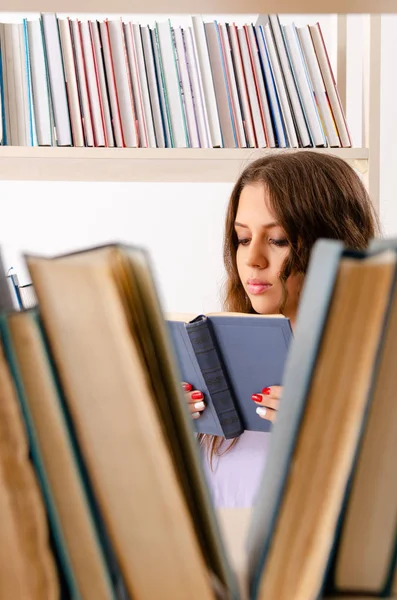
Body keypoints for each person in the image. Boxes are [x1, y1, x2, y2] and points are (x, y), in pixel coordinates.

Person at [183, 151, 379, 509]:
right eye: (243, 239)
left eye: (278, 240)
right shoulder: (217, 362)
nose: (253, 259)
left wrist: (328, 430)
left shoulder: (377, 372)